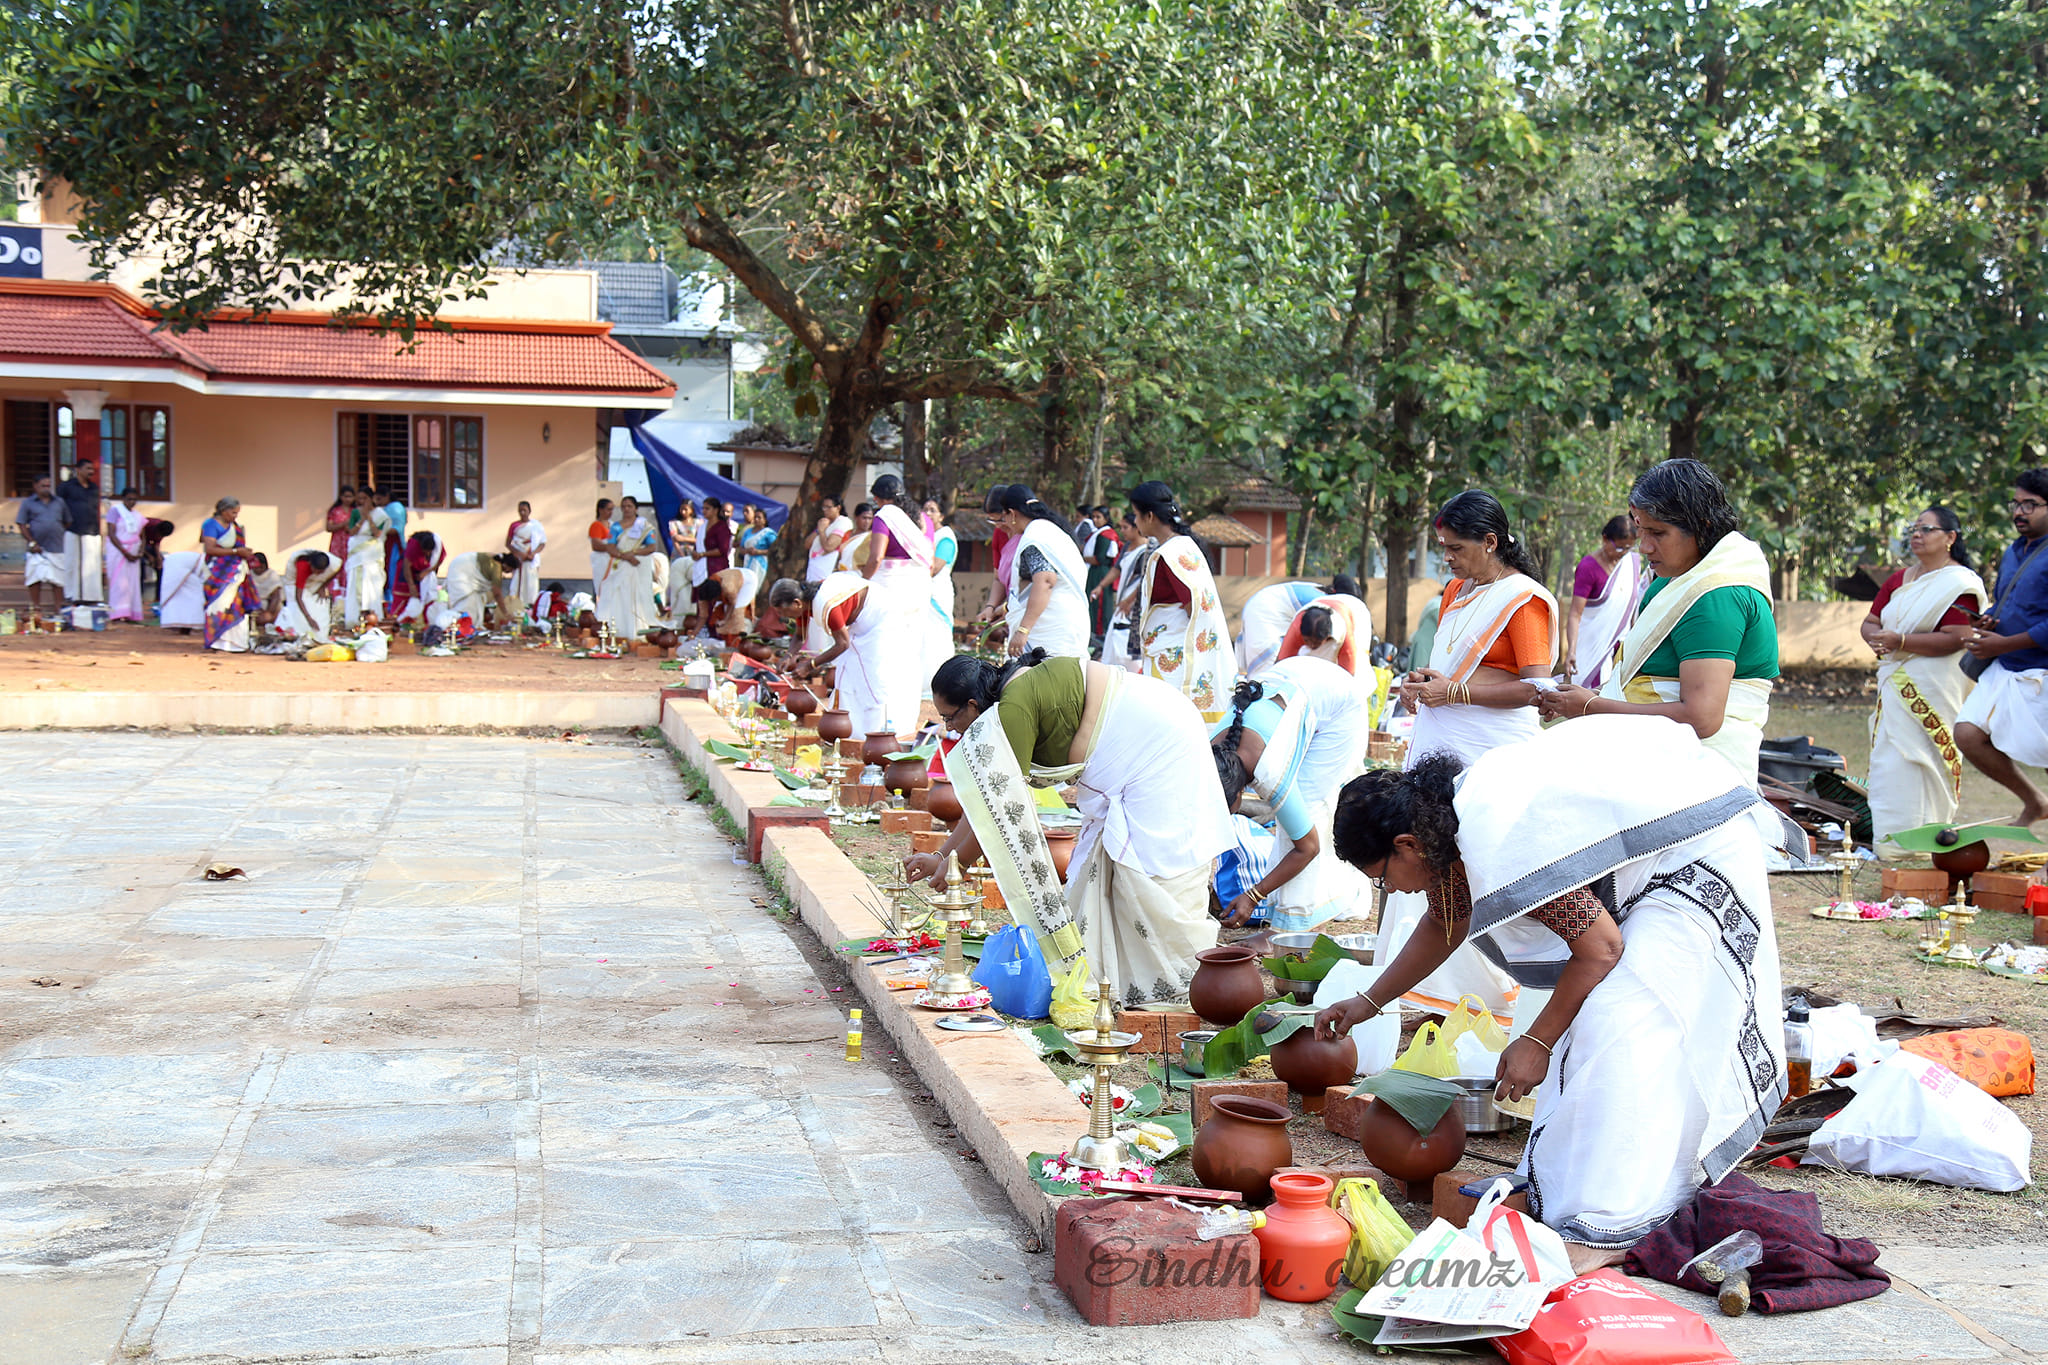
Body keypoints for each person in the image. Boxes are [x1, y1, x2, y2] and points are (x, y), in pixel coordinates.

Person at [1314, 716, 1786, 1257]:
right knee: (1588, 1027)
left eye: (1381, 876)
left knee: (1620, 1022)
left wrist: (1535, 1042)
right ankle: (1587, 1186)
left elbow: (1602, 949)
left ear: (1406, 845)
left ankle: (1626, 1210)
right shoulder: (1446, 838)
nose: (1387, 888)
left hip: (1697, 853)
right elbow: (1444, 924)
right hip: (1661, 859)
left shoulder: (1501, 842)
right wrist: (1368, 1001)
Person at [908, 651, 1236, 1006]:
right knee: (1122, 874)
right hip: (1159, 730)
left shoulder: (1012, 711)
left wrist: (956, 867)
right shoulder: (1012, 696)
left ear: (972, 705)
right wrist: (943, 856)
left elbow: (998, 813)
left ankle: (1187, 984)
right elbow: (986, 802)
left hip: (1159, 752)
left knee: (1157, 867)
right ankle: (1124, 984)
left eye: (949, 717)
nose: (948, 728)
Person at [1385, 490, 1557, 1018]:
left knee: (1478, 858)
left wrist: (1455, 692)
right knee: (1429, 850)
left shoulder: (1522, 600)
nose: (1449, 559)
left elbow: (1540, 691)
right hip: (1442, 738)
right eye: (1443, 547)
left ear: (1490, 541)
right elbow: (1454, 669)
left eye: (1457, 547)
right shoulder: (1456, 591)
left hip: (1491, 751)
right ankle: (1429, 990)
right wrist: (1427, 683)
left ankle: (1486, 992)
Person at [1540, 459, 1778, 785]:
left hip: (1698, 778)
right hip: (1651, 760)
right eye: (1640, 530)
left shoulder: (1714, 596)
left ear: (1703, 526)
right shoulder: (1670, 583)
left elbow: (1701, 718)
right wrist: (1580, 698)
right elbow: (1644, 681)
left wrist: (1592, 706)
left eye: (1658, 533)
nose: (1644, 546)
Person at [1211, 666, 1372, 933]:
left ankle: (1286, 928)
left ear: (1241, 792)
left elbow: (1307, 847)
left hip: (1339, 707)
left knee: (1306, 810)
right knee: (1293, 814)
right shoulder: (1206, 754)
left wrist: (1253, 896)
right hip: (1296, 681)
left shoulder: (1269, 771)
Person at [1859, 508, 1986, 847]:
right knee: (1891, 763)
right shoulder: (1898, 581)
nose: (1917, 535)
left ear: (1950, 538)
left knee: (1926, 761)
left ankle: (1926, 844)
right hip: (1893, 682)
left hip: (1935, 685)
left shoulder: (1959, 584)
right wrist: (1877, 637)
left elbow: (1959, 637)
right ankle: (1891, 846)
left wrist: (1900, 641)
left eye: (1927, 529)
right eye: (1914, 529)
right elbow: (1871, 622)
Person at [1957, 470, 2048, 824]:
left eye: (2031, 504)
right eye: (2016, 503)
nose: (2019, 512)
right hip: (2006, 667)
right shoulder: (2014, 551)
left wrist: (2005, 642)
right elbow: (2007, 602)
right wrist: (1989, 620)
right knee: (1967, 734)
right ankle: (2034, 801)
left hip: (2039, 671)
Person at [1132, 481, 1234, 721]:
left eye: (1136, 515)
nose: (1135, 522)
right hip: (1167, 647)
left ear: (1149, 516)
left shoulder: (1171, 555)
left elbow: (1194, 609)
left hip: (1175, 654)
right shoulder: (1182, 547)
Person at [859, 475, 938, 735]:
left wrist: (861, 582)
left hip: (890, 588)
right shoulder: (923, 519)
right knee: (909, 652)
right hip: (916, 589)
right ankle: (904, 717)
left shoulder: (885, 516)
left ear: (879, 498)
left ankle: (882, 717)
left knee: (883, 650)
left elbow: (877, 556)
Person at [992, 484, 1091, 663]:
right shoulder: (1050, 531)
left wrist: (1023, 630)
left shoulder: (1035, 538)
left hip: (1049, 630)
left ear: (1012, 514)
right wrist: (1006, 608)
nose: (1004, 523)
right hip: (1066, 623)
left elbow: (1045, 581)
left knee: (1040, 684)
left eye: (1004, 517)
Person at [1565, 515, 1644, 688]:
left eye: (1627, 548)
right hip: (1592, 646)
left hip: (1620, 646)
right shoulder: (1588, 567)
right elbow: (1575, 613)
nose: (1622, 553)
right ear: (1605, 539)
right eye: (1618, 547)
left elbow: (1631, 606)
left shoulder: (1632, 563)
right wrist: (1571, 651)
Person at [199, 496, 260, 652]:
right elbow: (210, 549)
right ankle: (218, 642)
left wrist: (243, 553)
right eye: (233, 513)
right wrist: (235, 551)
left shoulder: (235, 526)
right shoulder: (211, 525)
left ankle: (236, 643)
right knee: (219, 604)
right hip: (219, 572)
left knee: (236, 604)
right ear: (223, 511)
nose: (235, 516)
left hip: (236, 572)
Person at [604, 495, 662, 640]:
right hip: (623, 564)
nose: (626, 509)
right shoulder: (616, 527)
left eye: (629, 506)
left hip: (639, 564)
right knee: (622, 596)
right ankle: (621, 633)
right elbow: (610, 546)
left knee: (640, 597)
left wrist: (634, 553)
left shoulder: (644, 526)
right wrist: (625, 556)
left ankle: (640, 632)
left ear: (636, 508)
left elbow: (651, 547)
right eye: (623, 506)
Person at [1101, 510, 1152, 671]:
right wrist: (1100, 586)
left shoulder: (1147, 551)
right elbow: (1117, 569)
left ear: (1136, 528)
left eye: (1125, 527)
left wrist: (1130, 600)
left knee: (1129, 652)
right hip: (1122, 602)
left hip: (1134, 606)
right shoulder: (1128, 547)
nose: (1121, 531)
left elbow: (1145, 581)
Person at [15, 475, 70, 623]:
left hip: (56, 547)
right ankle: (36, 609)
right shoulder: (28, 503)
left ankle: (58, 610)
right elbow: (21, 524)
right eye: (43, 485)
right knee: (35, 579)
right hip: (36, 549)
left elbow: (67, 521)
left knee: (58, 581)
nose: (46, 488)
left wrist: (55, 530)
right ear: (35, 486)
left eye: (48, 485)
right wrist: (32, 542)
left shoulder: (59, 502)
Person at [56, 461, 103, 605]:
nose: (91, 471)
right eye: (88, 468)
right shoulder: (66, 487)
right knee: (72, 564)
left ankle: (91, 597)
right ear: (78, 470)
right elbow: (59, 507)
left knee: (91, 565)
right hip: (72, 529)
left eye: (92, 469)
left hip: (91, 530)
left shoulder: (93, 488)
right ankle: (72, 595)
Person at [924, 499, 960, 686]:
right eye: (925, 510)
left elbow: (935, 567)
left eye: (932, 510)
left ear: (941, 515)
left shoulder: (945, 536)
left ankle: (940, 682)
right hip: (923, 594)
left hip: (938, 593)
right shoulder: (926, 536)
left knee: (937, 637)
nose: (928, 514)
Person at [343, 488, 390, 627]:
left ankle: (373, 617)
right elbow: (351, 532)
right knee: (355, 584)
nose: (361, 502)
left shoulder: (380, 515)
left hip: (372, 553)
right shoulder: (356, 512)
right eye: (360, 499)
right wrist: (362, 518)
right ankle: (354, 620)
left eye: (364, 498)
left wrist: (369, 518)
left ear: (371, 499)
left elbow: (377, 534)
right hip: (357, 553)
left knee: (371, 584)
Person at [275, 549, 341, 642]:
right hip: (294, 584)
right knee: (297, 614)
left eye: (321, 572)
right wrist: (308, 618)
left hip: (315, 583)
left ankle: (319, 638)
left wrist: (323, 587)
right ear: (310, 564)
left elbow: (336, 571)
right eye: (316, 570)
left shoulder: (334, 564)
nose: (318, 573)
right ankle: (300, 637)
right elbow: (298, 597)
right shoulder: (303, 566)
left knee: (320, 607)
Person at [105, 488, 148, 623]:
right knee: (118, 582)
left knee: (132, 583)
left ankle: (130, 612)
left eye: (134, 499)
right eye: (129, 499)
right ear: (123, 499)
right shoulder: (115, 511)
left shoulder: (137, 515)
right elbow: (112, 534)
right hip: (119, 550)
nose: (132, 502)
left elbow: (142, 535)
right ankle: (117, 612)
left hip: (133, 551)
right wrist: (125, 552)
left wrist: (140, 551)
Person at [447, 551, 519, 628]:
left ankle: (466, 629)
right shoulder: (496, 568)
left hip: (460, 568)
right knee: (468, 608)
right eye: (510, 570)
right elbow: (497, 594)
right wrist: (506, 613)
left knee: (474, 607)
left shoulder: (495, 560)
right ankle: (457, 629)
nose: (509, 573)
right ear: (507, 565)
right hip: (461, 573)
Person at [506, 500, 546, 611]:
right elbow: (508, 543)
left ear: (529, 511)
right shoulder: (514, 525)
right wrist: (519, 554)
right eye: (520, 511)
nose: (522, 513)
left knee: (531, 585)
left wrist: (533, 553)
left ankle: (531, 608)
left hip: (531, 560)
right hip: (519, 560)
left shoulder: (536, 526)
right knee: (517, 583)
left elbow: (542, 543)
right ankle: (516, 606)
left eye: (525, 510)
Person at [806, 497, 851, 582]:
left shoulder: (843, 522)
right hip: (815, 566)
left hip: (828, 566)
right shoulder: (824, 523)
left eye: (828, 507)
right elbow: (807, 544)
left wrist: (822, 532)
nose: (825, 510)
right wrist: (818, 530)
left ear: (838, 508)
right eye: (824, 507)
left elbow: (829, 547)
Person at [324, 487, 355, 604]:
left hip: (350, 542)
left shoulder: (355, 511)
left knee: (348, 566)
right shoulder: (334, 511)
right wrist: (343, 524)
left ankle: (347, 595)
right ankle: (334, 594)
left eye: (350, 496)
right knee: (336, 566)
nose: (348, 499)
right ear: (341, 497)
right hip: (337, 542)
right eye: (345, 496)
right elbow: (329, 527)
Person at [381, 492, 409, 614]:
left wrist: (378, 531)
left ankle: (393, 603)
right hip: (387, 543)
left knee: (393, 572)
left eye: (379, 498)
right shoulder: (385, 509)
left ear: (386, 496)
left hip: (394, 544)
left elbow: (396, 528)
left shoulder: (395, 508)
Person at [670, 498, 704, 598]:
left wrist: (683, 538)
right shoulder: (674, 523)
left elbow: (700, 540)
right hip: (678, 553)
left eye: (686, 509)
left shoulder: (699, 523)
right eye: (681, 509)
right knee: (679, 578)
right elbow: (675, 539)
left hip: (694, 553)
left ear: (691, 510)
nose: (683, 512)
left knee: (694, 578)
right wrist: (682, 555)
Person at [738, 503, 778, 580]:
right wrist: (747, 551)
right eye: (755, 517)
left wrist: (758, 552)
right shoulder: (748, 531)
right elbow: (741, 549)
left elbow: (775, 549)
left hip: (761, 564)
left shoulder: (768, 533)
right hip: (747, 563)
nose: (756, 519)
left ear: (764, 520)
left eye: (759, 518)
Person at [248, 552, 285, 625]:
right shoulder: (249, 574)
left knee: (266, 617)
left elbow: (276, 597)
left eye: (258, 567)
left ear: (263, 565)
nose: (256, 570)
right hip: (253, 605)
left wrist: (268, 613)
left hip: (269, 606)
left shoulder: (272, 575)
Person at [836, 501, 874, 572]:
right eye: (864, 518)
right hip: (844, 571)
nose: (867, 522)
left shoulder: (872, 536)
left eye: (870, 518)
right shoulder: (848, 534)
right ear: (856, 517)